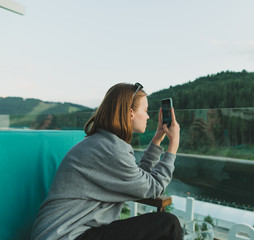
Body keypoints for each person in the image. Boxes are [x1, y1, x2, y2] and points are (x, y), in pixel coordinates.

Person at [31, 83, 182, 240]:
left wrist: (157, 140)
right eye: (145, 110)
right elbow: (154, 187)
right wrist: (173, 145)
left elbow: (137, 181)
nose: (148, 116)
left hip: (71, 233)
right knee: (168, 225)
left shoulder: (103, 143)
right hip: (66, 236)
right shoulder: (111, 149)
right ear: (131, 113)